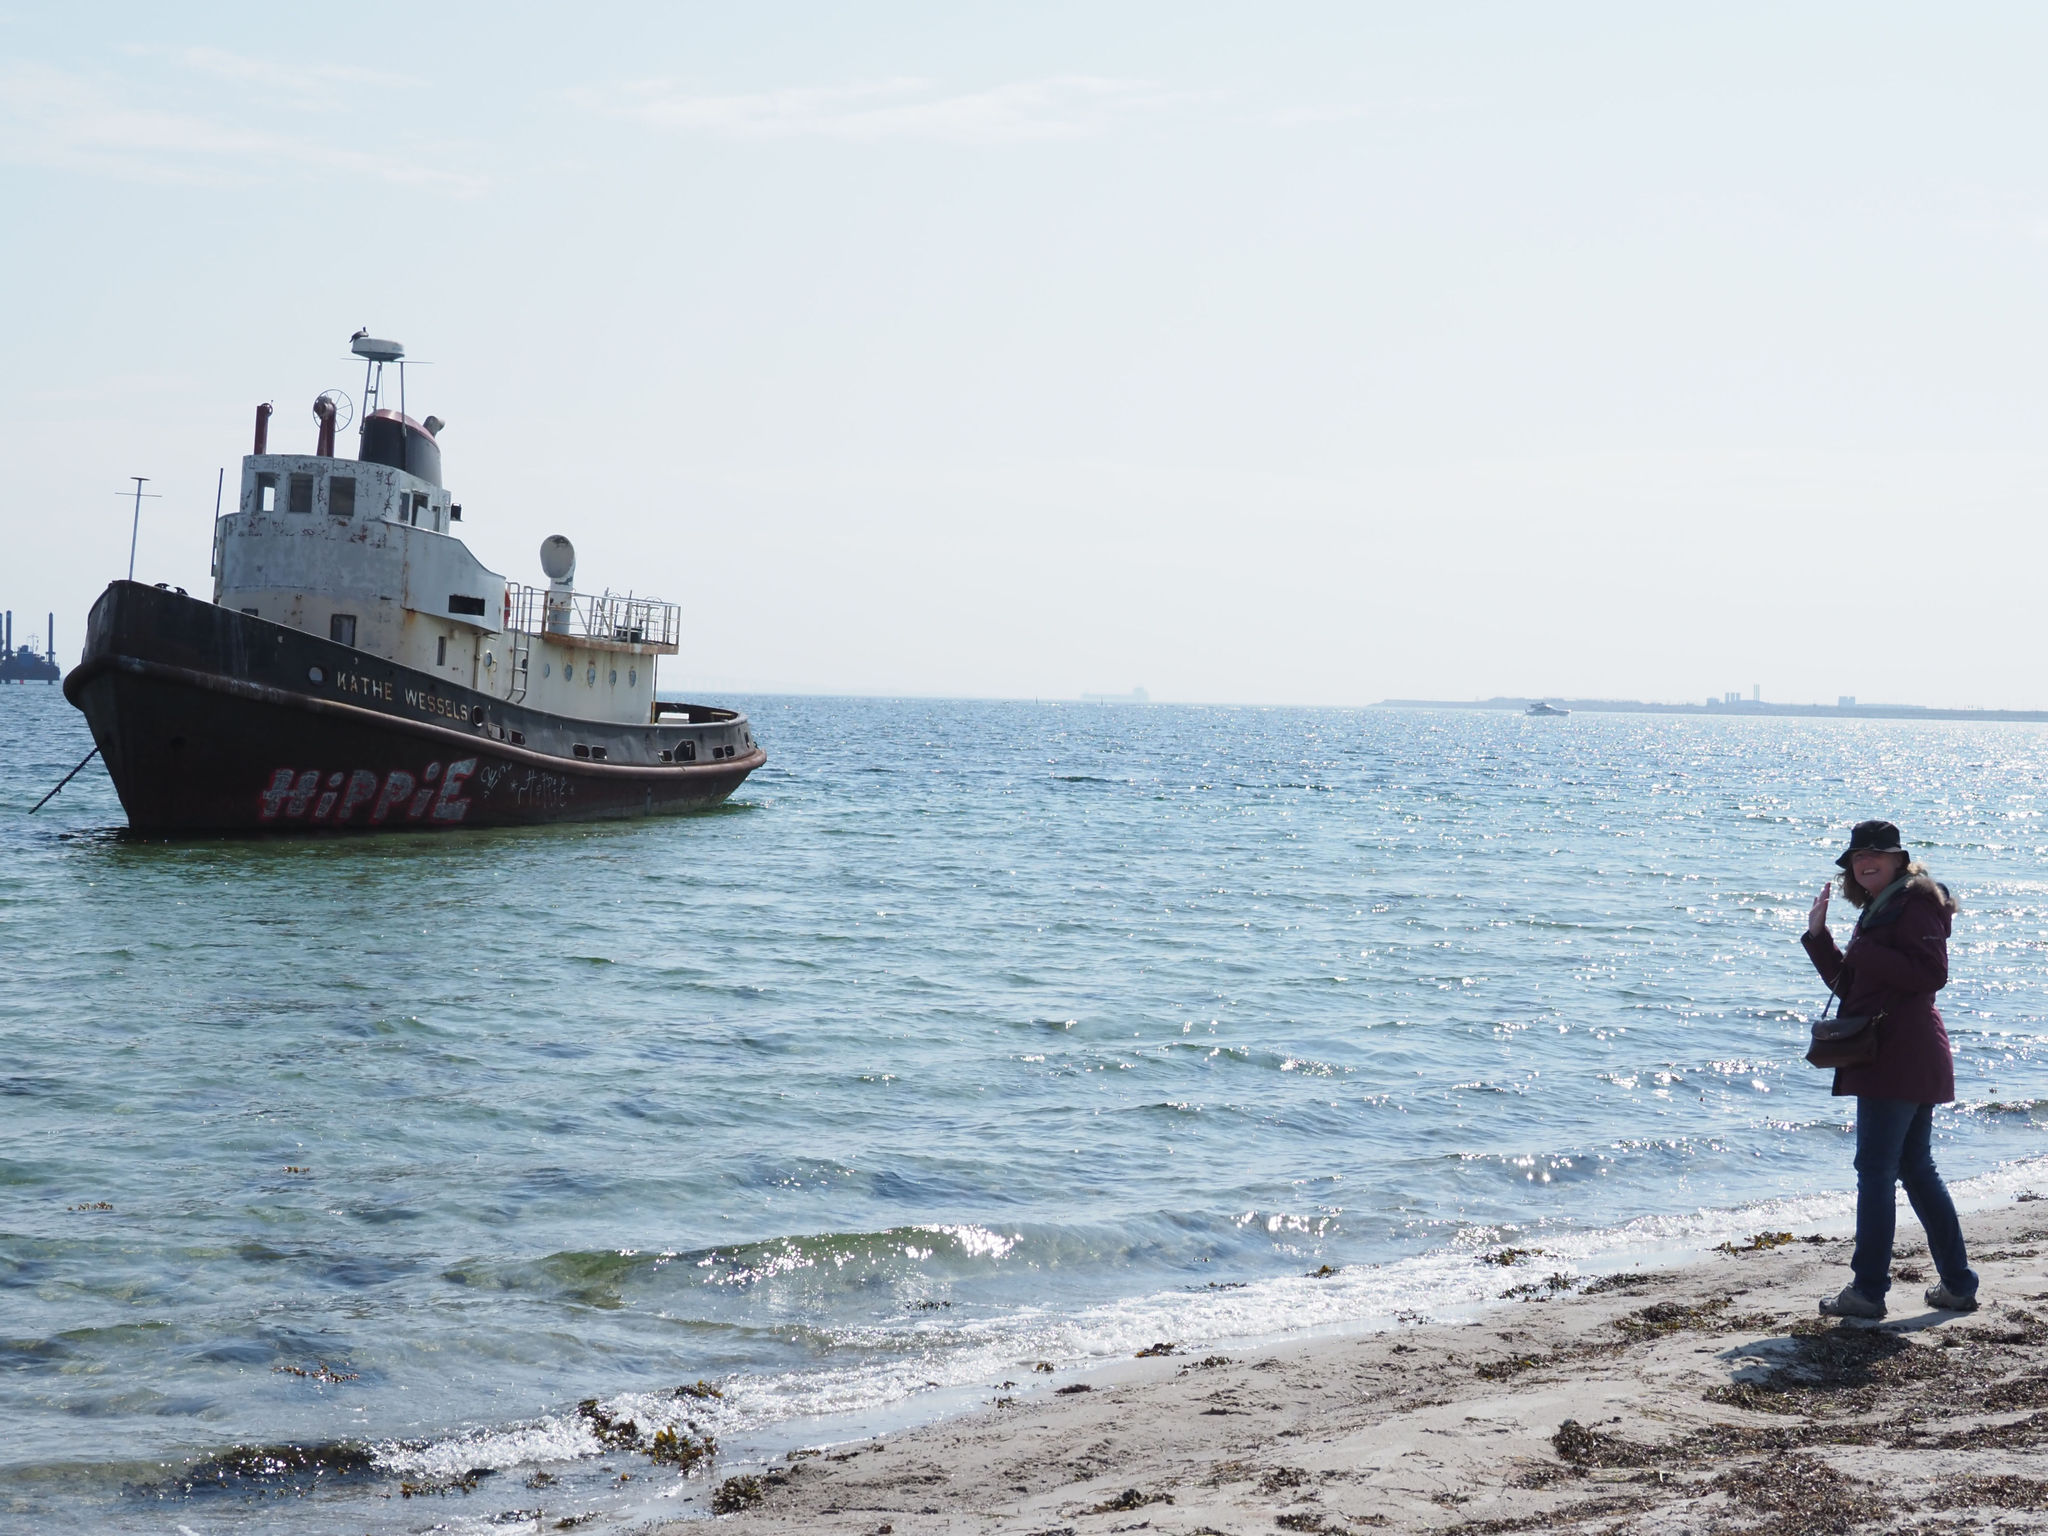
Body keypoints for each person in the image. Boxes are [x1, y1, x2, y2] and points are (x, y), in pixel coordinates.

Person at [1801, 819, 1978, 1319]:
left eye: (1876, 852)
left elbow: (1932, 974)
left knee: (1877, 1170)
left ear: (1900, 859)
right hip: (1897, 1055)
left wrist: (1865, 949)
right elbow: (1852, 984)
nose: (1864, 861)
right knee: (1913, 1169)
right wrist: (1820, 937)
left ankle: (1868, 1291)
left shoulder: (1915, 902)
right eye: (1857, 856)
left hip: (1901, 1055)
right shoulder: (1882, 908)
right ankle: (1959, 1285)